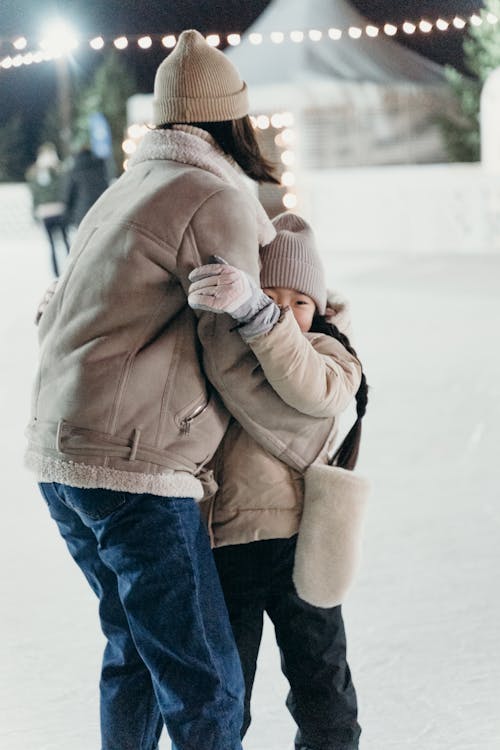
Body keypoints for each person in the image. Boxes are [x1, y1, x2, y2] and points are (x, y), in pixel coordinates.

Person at [25, 30, 342, 750]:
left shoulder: (124, 188)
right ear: (233, 118)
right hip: (134, 468)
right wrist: (315, 433)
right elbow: (236, 363)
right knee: (208, 688)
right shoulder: (213, 196)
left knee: (133, 652)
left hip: (59, 460)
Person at [188, 213, 368, 750]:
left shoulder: (333, 355)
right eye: (270, 295)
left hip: (300, 542)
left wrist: (262, 317)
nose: (284, 313)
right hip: (226, 543)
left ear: (323, 309)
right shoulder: (222, 347)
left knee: (322, 683)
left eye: (300, 303)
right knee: (226, 690)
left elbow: (315, 390)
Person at [26, 141, 70, 276]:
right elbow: (64, 188)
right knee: (64, 242)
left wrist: (34, 213)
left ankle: (58, 272)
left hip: (47, 212)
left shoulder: (35, 173)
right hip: (58, 210)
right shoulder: (57, 170)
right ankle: (67, 269)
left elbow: (35, 195)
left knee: (55, 244)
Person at [63, 142, 109, 228]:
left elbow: (70, 195)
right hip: (101, 210)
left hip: (83, 213)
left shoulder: (75, 171)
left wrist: (68, 214)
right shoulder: (100, 168)